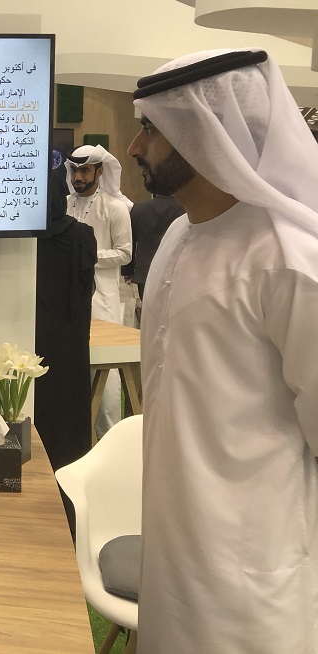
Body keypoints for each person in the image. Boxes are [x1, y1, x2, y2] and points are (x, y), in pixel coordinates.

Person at [128, 48, 318, 652]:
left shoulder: (287, 258)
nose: (135, 146)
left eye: (152, 129)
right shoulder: (178, 236)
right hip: (172, 551)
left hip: (252, 571)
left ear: (203, 131)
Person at [34, 164, 97, 536]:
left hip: (23, 353)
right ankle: (69, 523)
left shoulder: (17, 238)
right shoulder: (81, 237)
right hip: (69, 357)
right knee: (67, 444)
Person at [65, 144, 133, 438]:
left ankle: (110, 441)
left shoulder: (115, 208)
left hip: (101, 300)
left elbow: (126, 253)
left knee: (105, 374)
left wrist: (89, 256)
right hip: (67, 299)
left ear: (100, 171)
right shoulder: (64, 205)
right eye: (74, 170)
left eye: (84, 170)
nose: (78, 177)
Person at [120, 193, 185, 324]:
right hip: (176, 269)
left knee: (150, 316)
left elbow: (131, 241)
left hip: (145, 271)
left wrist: (128, 271)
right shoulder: (183, 208)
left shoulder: (139, 209)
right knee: (175, 315)